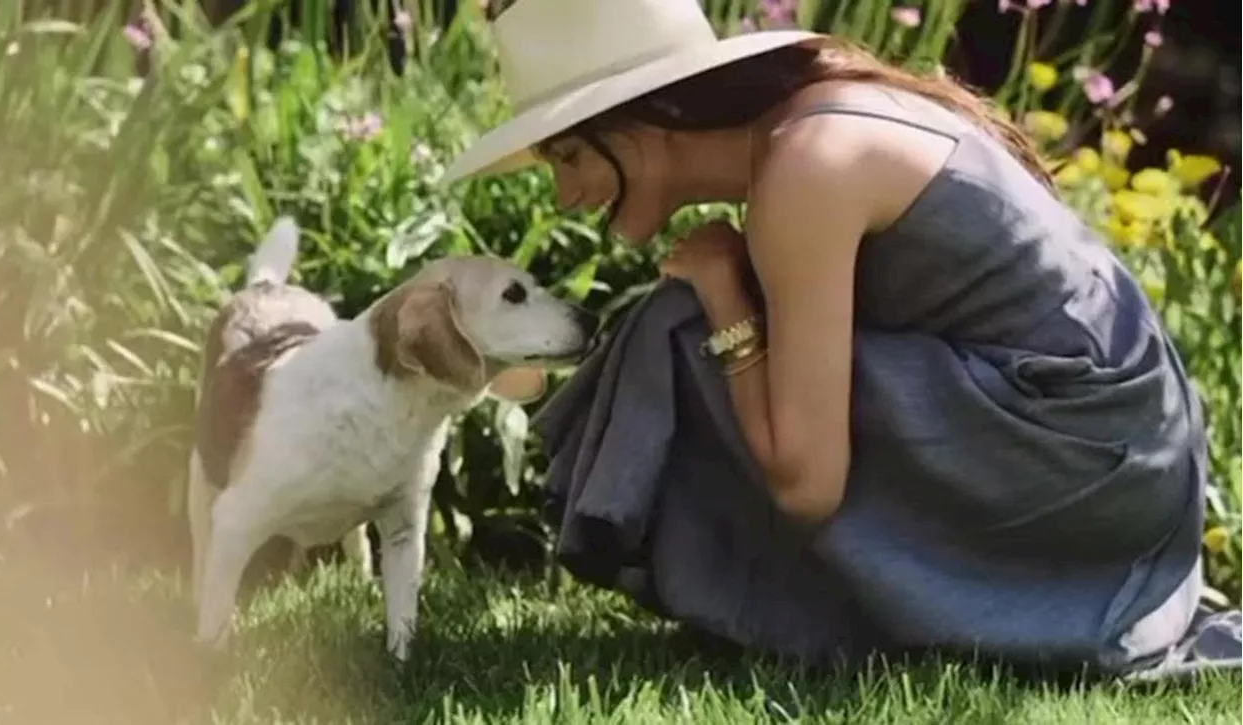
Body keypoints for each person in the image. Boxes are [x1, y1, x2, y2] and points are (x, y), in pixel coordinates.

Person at [440, 0, 1240, 678]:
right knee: (691, 324)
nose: (565, 193)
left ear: (648, 121)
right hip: (1119, 447)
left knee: (681, 329)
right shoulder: (805, 125)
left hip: (1085, 452)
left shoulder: (808, 165)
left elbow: (808, 483)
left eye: (572, 154)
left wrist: (724, 292)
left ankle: (806, 609)